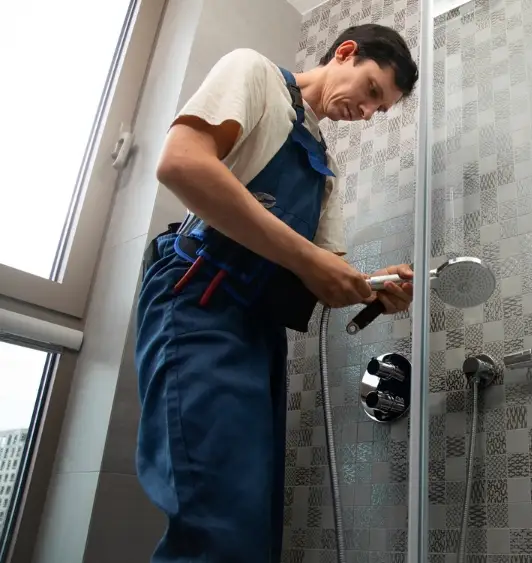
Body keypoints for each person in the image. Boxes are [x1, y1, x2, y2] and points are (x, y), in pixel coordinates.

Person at [134, 24, 418, 562]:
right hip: (197, 296)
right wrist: (311, 260)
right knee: (218, 519)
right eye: (373, 91)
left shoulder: (326, 170)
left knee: (254, 519)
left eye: (380, 110)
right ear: (346, 53)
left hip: (256, 328)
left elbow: (326, 275)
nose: (367, 112)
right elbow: (182, 164)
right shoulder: (255, 74)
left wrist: (372, 288)